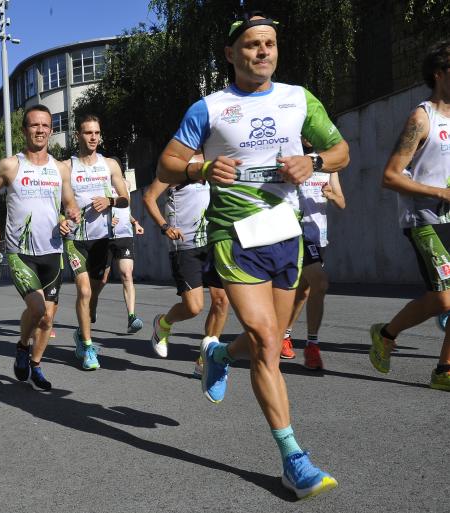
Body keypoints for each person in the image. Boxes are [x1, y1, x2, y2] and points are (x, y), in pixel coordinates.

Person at [156, 12, 350, 499]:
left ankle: (219, 352)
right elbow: (167, 163)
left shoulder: (298, 98)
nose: (262, 51)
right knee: (266, 340)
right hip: (233, 235)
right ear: (230, 54)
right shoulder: (210, 107)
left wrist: (316, 162)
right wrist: (201, 168)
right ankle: (293, 459)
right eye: (251, 44)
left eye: (270, 43)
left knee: (268, 341)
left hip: (285, 232)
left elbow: (342, 149)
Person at [369, 39, 450, 392]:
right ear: (439, 73)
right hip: (425, 220)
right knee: (446, 298)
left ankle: (444, 370)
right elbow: (390, 175)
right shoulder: (422, 117)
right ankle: (387, 334)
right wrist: (439, 192)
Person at [0, 104, 79, 391]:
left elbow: (71, 206)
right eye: (34, 125)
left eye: (45, 125)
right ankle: (23, 345)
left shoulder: (60, 168)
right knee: (37, 309)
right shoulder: (11, 165)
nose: (40, 130)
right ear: (25, 130)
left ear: (51, 130)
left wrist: (69, 219)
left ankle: (35, 363)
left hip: (52, 250)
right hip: (20, 251)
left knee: (48, 319)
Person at [143, 157, 230, 377]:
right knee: (193, 307)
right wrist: (164, 227)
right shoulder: (177, 163)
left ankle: (205, 359)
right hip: (185, 246)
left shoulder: (214, 158)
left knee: (221, 301)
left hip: (214, 243)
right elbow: (149, 197)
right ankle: (163, 324)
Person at [64, 115, 130, 370]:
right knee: (84, 291)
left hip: (102, 238)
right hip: (75, 238)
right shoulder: (66, 167)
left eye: (97, 133)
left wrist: (110, 201)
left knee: (99, 283)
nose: (93, 137)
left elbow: (125, 198)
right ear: (78, 135)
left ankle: (81, 333)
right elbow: (55, 200)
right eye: (88, 133)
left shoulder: (110, 164)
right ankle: (89, 349)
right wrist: (61, 218)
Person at [281, 153, 346, 369]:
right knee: (320, 282)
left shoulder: (329, 164)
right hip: (297, 233)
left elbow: (342, 202)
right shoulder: (292, 157)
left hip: (319, 236)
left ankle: (284, 335)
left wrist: (331, 195)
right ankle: (312, 346)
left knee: (304, 291)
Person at [89, 180, 144, 333]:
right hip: (104, 236)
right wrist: (105, 220)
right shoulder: (98, 183)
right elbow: (93, 209)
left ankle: (131, 317)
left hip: (124, 236)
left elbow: (126, 210)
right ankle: (92, 306)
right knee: (102, 280)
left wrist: (135, 223)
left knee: (127, 274)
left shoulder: (124, 185)